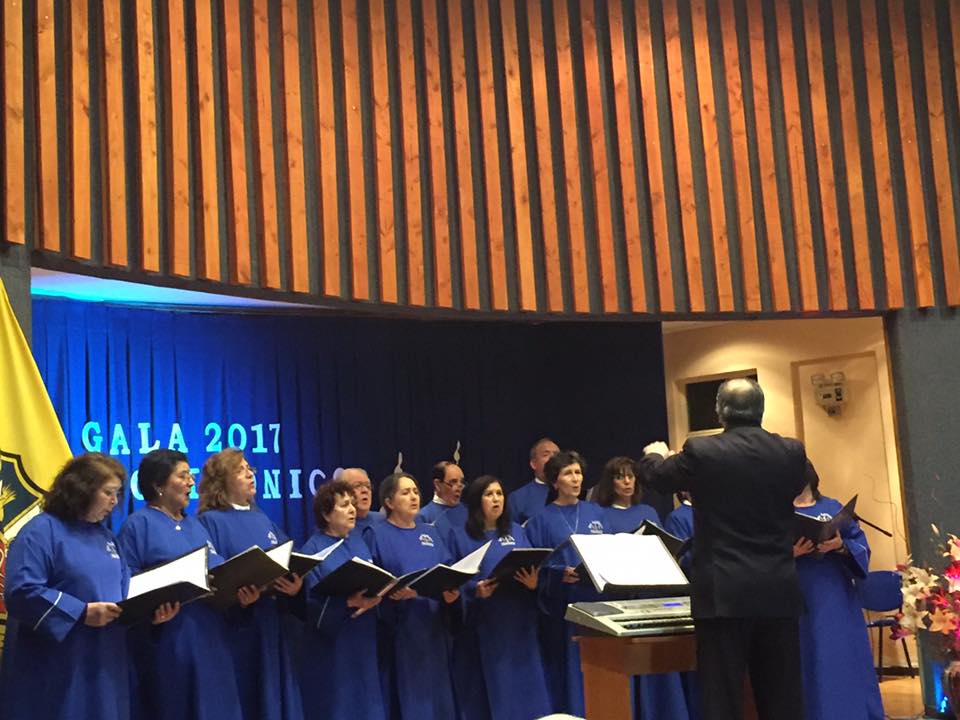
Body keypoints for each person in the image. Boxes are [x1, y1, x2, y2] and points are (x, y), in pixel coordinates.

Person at [641, 378, 808, 720]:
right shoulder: (791, 452)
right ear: (761, 411)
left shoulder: (703, 451)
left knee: (722, 699)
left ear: (720, 411)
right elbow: (794, 484)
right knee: (782, 699)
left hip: (723, 593)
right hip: (777, 590)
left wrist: (654, 455)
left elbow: (658, 478)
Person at [0, 453, 176, 720]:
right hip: (57, 667)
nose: (114, 501)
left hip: (107, 662)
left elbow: (124, 595)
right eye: (108, 492)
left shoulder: (107, 538)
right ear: (82, 489)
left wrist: (150, 614)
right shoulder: (41, 531)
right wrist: (81, 612)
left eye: (117, 494)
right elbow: (22, 591)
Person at [116, 449, 246, 720]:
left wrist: (239, 591)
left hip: (212, 634)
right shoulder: (138, 525)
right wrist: (152, 617)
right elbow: (127, 585)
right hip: (171, 638)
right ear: (158, 484)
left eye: (191, 476)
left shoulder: (195, 525)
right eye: (183, 476)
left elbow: (217, 568)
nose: (190, 482)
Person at [197, 448, 305, 720]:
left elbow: (287, 557)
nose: (250, 474)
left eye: (250, 469)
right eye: (240, 470)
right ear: (221, 481)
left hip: (271, 623)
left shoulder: (262, 517)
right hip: (239, 629)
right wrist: (238, 598)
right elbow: (215, 575)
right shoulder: (211, 521)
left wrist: (294, 587)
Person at [446, 475, 551, 720]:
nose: (496, 499)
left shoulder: (517, 531)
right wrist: (474, 590)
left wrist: (533, 583)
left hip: (519, 619)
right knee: (493, 688)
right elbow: (452, 579)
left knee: (526, 685)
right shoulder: (459, 535)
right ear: (476, 501)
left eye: (500, 494)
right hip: (485, 622)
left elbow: (534, 564)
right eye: (489, 494)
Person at [793, 462, 883, 720]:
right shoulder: (779, 513)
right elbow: (765, 554)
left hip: (836, 595)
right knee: (809, 659)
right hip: (799, 596)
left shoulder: (832, 507)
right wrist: (792, 553)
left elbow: (860, 545)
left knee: (842, 657)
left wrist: (840, 546)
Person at [366, 471, 460, 719]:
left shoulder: (430, 532)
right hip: (402, 631)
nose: (413, 497)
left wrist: (451, 594)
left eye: (416, 492)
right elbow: (373, 582)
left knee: (440, 699)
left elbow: (446, 570)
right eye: (405, 492)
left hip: (435, 628)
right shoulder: (377, 534)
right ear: (389, 501)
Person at [524, 450, 606, 716]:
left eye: (578, 472)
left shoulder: (596, 512)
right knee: (570, 672)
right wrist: (559, 573)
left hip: (597, 604)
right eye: (568, 473)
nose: (575, 479)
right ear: (554, 481)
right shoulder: (540, 520)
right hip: (563, 608)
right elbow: (535, 567)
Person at [299, 479, 385, 720]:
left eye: (352, 504)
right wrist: (347, 603)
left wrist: (377, 596)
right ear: (327, 514)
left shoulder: (358, 540)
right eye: (344, 505)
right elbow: (310, 606)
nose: (352, 510)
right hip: (335, 649)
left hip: (364, 640)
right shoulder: (312, 551)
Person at [594, 456, 661, 533]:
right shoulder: (601, 514)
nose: (627, 481)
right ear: (610, 482)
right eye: (619, 477)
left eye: (630, 476)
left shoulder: (649, 512)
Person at [507, 438, 559, 525]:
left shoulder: (572, 493)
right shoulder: (517, 498)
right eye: (546, 455)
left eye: (556, 455)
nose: (553, 458)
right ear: (533, 464)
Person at [417, 461, 468, 537]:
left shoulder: (468, 512)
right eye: (453, 482)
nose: (459, 489)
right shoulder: (424, 517)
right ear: (437, 484)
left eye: (461, 482)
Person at [340, 467, 384, 534]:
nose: (365, 490)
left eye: (368, 486)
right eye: (357, 486)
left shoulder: (383, 520)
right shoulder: (338, 526)